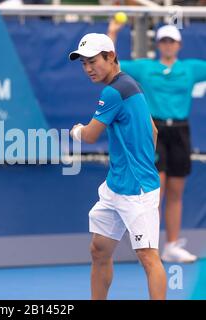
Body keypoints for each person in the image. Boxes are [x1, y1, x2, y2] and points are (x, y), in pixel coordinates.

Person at [69, 33, 166, 300]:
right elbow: (154, 130)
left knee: (148, 257)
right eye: (83, 63)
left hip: (137, 190)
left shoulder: (113, 91)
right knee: (99, 249)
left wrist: (75, 131)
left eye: (92, 61)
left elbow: (89, 135)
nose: (88, 69)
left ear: (110, 57)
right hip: (115, 187)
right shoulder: (131, 85)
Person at [108, 22, 206, 263]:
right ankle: (148, 246)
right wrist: (112, 32)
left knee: (176, 192)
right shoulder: (145, 68)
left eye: (172, 41)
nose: (168, 45)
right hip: (155, 132)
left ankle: (171, 245)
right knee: (156, 191)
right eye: (163, 41)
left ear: (179, 45)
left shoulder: (191, 69)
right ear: (158, 45)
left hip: (181, 133)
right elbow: (112, 65)